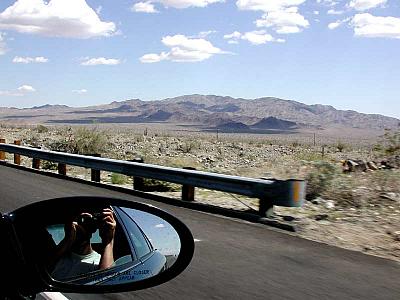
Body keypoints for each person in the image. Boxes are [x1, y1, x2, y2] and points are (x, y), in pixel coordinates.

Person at [50, 208, 116, 281]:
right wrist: (67, 239)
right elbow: (45, 266)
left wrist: (108, 241)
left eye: (83, 220)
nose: (76, 225)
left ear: (93, 227)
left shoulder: (99, 262)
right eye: (72, 220)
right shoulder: (59, 256)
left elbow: (105, 280)